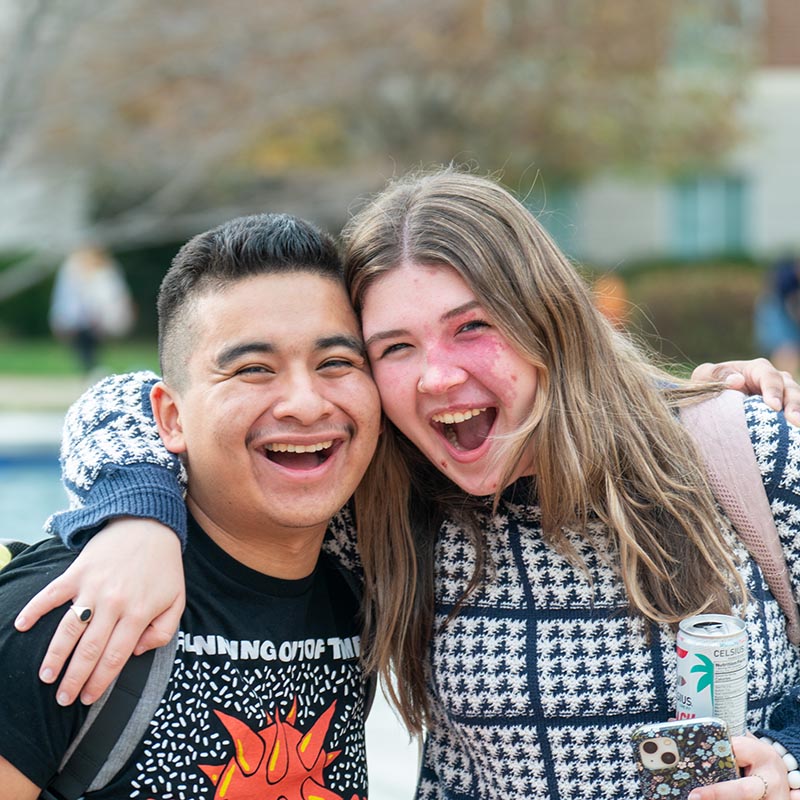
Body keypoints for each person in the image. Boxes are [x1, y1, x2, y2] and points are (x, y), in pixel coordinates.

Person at [15, 171, 800, 800]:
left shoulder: (743, 455)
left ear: (549, 324)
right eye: (393, 346)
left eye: (474, 327)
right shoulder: (389, 503)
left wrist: (786, 771)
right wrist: (139, 517)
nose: (437, 377)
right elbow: (137, 400)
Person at [0, 213, 380, 798]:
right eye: (254, 369)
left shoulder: (363, 587)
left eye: (336, 363)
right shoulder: (67, 614)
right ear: (170, 418)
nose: (306, 405)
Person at [49, 244, 136, 374]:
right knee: (84, 345)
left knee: (89, 345)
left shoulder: (104, 273)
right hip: (82, 319)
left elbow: (110, 297)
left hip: (96, 318)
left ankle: (92, 369)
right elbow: (67, 298)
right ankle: (92, 369)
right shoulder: (74, 271)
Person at [754, 254, 800, 377]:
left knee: (789, 347)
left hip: (781, 312)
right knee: (786, 348)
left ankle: (785, 376)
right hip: (776, 311)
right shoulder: (786, 278)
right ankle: (784, 377)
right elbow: (792, 306)